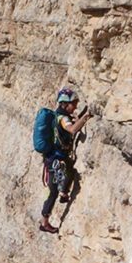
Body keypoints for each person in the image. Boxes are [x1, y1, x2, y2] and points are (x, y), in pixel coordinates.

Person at [39, 87, 92, 234]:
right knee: (53, 191)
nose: (75, 106)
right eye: (73, 103)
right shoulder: (63, 118)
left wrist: (82, 114)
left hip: (57, 157)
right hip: (55, 160)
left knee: (70, 168)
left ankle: (64, 193)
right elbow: (72, 129)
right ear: (65, 104)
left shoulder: (59, 115)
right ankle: (44, 222)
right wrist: (87, 116)